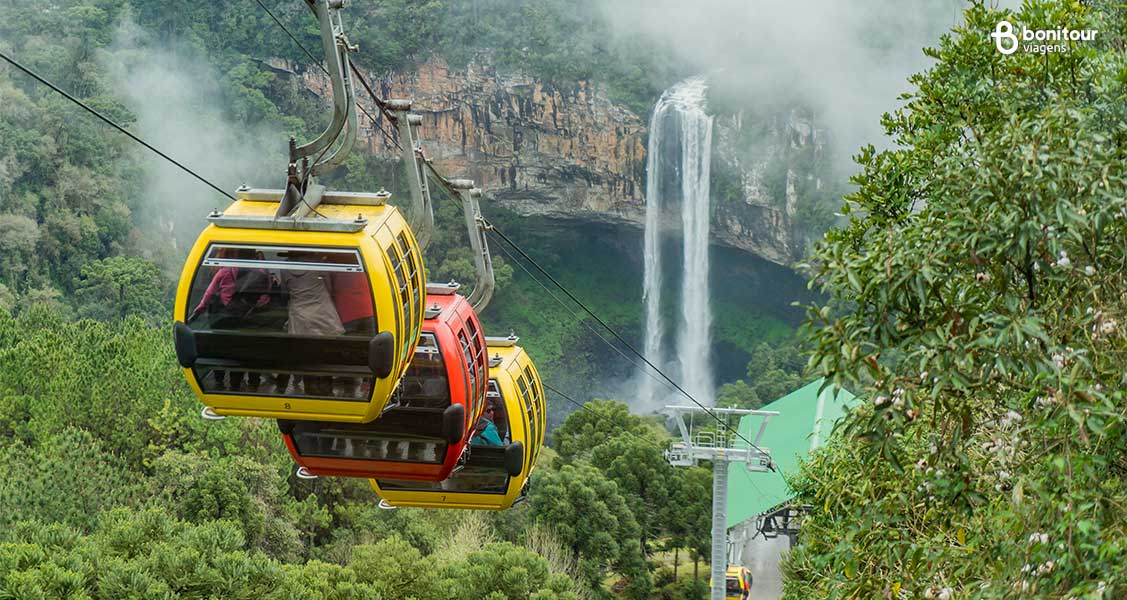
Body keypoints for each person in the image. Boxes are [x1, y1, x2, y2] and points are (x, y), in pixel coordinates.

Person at [280, 251, 345, 396]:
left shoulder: (284, 267)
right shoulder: (318, 264)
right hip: (322, 312)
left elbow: (285, 292)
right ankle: (326, 391)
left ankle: (310, 390)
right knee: (325, 352)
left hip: (299, 315)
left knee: (307, 354)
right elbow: (329, 288)